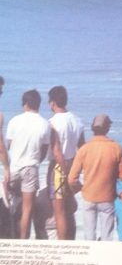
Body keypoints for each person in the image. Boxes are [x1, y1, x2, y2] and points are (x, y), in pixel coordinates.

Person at [6, 89, 57, 239]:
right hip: (31, 168)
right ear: (38, 104)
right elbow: (44, 150)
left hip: (14, 167)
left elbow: (9, 145)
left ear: (25, 104)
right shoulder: (44, 124)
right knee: (27, 209)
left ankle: (9, 237)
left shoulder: (14, 120)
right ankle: (23, 241)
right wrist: (35, 160)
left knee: (11, 205)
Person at [68, 114, 122, 241]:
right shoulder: (116, 148)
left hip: (89, 197)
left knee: (89, 237)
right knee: (107, 238)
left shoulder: (84, 149)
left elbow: (72, 178)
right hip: (107, 198)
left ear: (92, 128)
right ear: (108, 128)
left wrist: (82, 187)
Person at [47, 85, 85, 240]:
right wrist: (75, 172)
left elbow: (57, 152)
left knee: (59, 211)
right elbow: (82, 149)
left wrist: (66, 172)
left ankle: (62, 248)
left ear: (52, 102)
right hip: (73, 163)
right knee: (70, 209)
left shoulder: (52, 122)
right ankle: (72, 241)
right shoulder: (77, 120)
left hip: (58, 168)